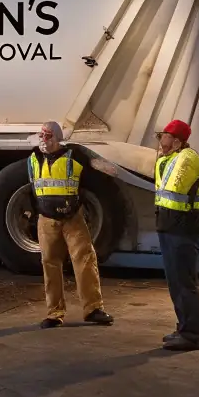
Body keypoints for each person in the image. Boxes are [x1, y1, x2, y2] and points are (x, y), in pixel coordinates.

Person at [29, 120, 117, 329]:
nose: (43, 139)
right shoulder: (34, 158)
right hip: (46, 219)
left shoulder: (74, 157)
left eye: (48, 135)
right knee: (49, 263)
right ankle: (54, 313)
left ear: (58, 138)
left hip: (72, 218)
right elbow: (33, 187)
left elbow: (95, 179)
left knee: (84, 259)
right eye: (41, 135)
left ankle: (93, 309)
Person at [154, 119, 199, 351]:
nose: (159, 140)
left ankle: (191, 335)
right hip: (169, 225)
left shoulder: (187, 158)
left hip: (183, 227)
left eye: (162, 136)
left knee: (184, 281)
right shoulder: (168, 158)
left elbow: (175, 189)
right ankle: (183, 327)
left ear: (175, 140)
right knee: (175, 281)